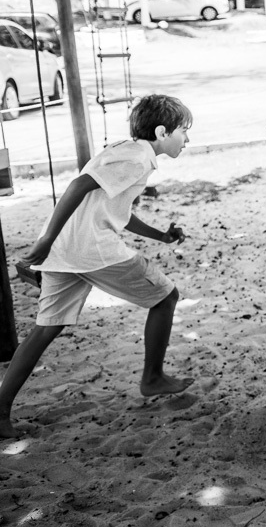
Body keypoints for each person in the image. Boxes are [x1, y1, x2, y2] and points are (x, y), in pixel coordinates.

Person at [0, 95, 194, 439]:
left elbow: (117, 209)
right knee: (165, 297)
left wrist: (161, 236)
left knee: (46, 328)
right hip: (92, 250)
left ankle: (0, 409)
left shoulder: (129, 153)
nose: (188, 139)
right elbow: (78, 185)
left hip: (67, 250)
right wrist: (43, 240)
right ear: (162, 132)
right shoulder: (135, 158)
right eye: (184, 131)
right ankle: (152, 378)